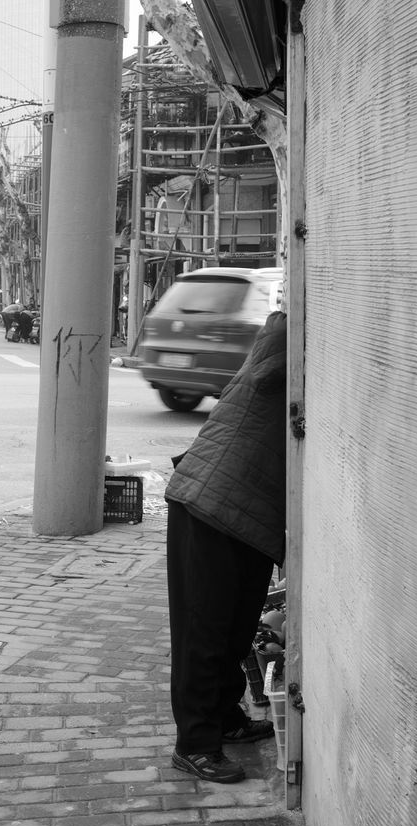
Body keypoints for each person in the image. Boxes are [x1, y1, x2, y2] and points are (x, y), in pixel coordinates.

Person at [164, 310, 287, 783]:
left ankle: (226, 719)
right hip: (210, 504)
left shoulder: (287, 349)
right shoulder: (280, 344)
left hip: (249, 516)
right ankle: (194, 743)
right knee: (204, 634)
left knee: (235, 631)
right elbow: (278, 336)